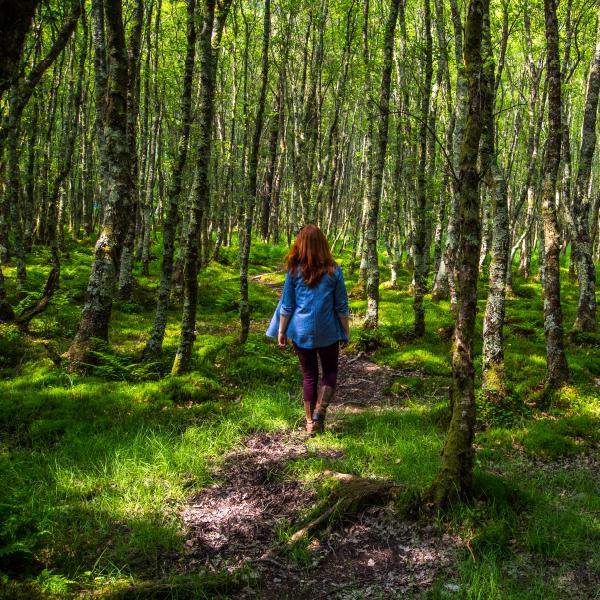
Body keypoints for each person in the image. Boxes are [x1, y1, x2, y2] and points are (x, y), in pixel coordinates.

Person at [266, 225, 350, 434]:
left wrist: (281, 331)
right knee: (330, 370)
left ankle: (310, 424)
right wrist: (345, 332)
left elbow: (287, 305)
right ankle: (320, 411)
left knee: (309, 375)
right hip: (328, 330)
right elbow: (341, 306)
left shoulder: (294, 271)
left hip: (301, 331)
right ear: (323, 244)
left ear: (300, 244)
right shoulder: (334, 270)